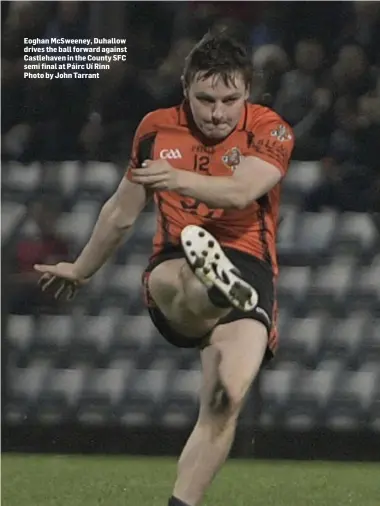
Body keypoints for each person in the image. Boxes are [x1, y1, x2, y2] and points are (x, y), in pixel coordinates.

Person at [34, 32, 294, 506]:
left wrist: (175, 177)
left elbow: (241, 191)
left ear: (248, 92)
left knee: (224, 401)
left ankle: (180, 504)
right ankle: (213, 289)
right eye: (206, 99)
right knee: (185, 280)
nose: (217, 112)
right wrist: (82, 267)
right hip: (177, 257)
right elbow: (122, 212)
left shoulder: (270, 129)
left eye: (230, 100)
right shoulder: (155, 130)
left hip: (250, 266)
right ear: (185, 87)